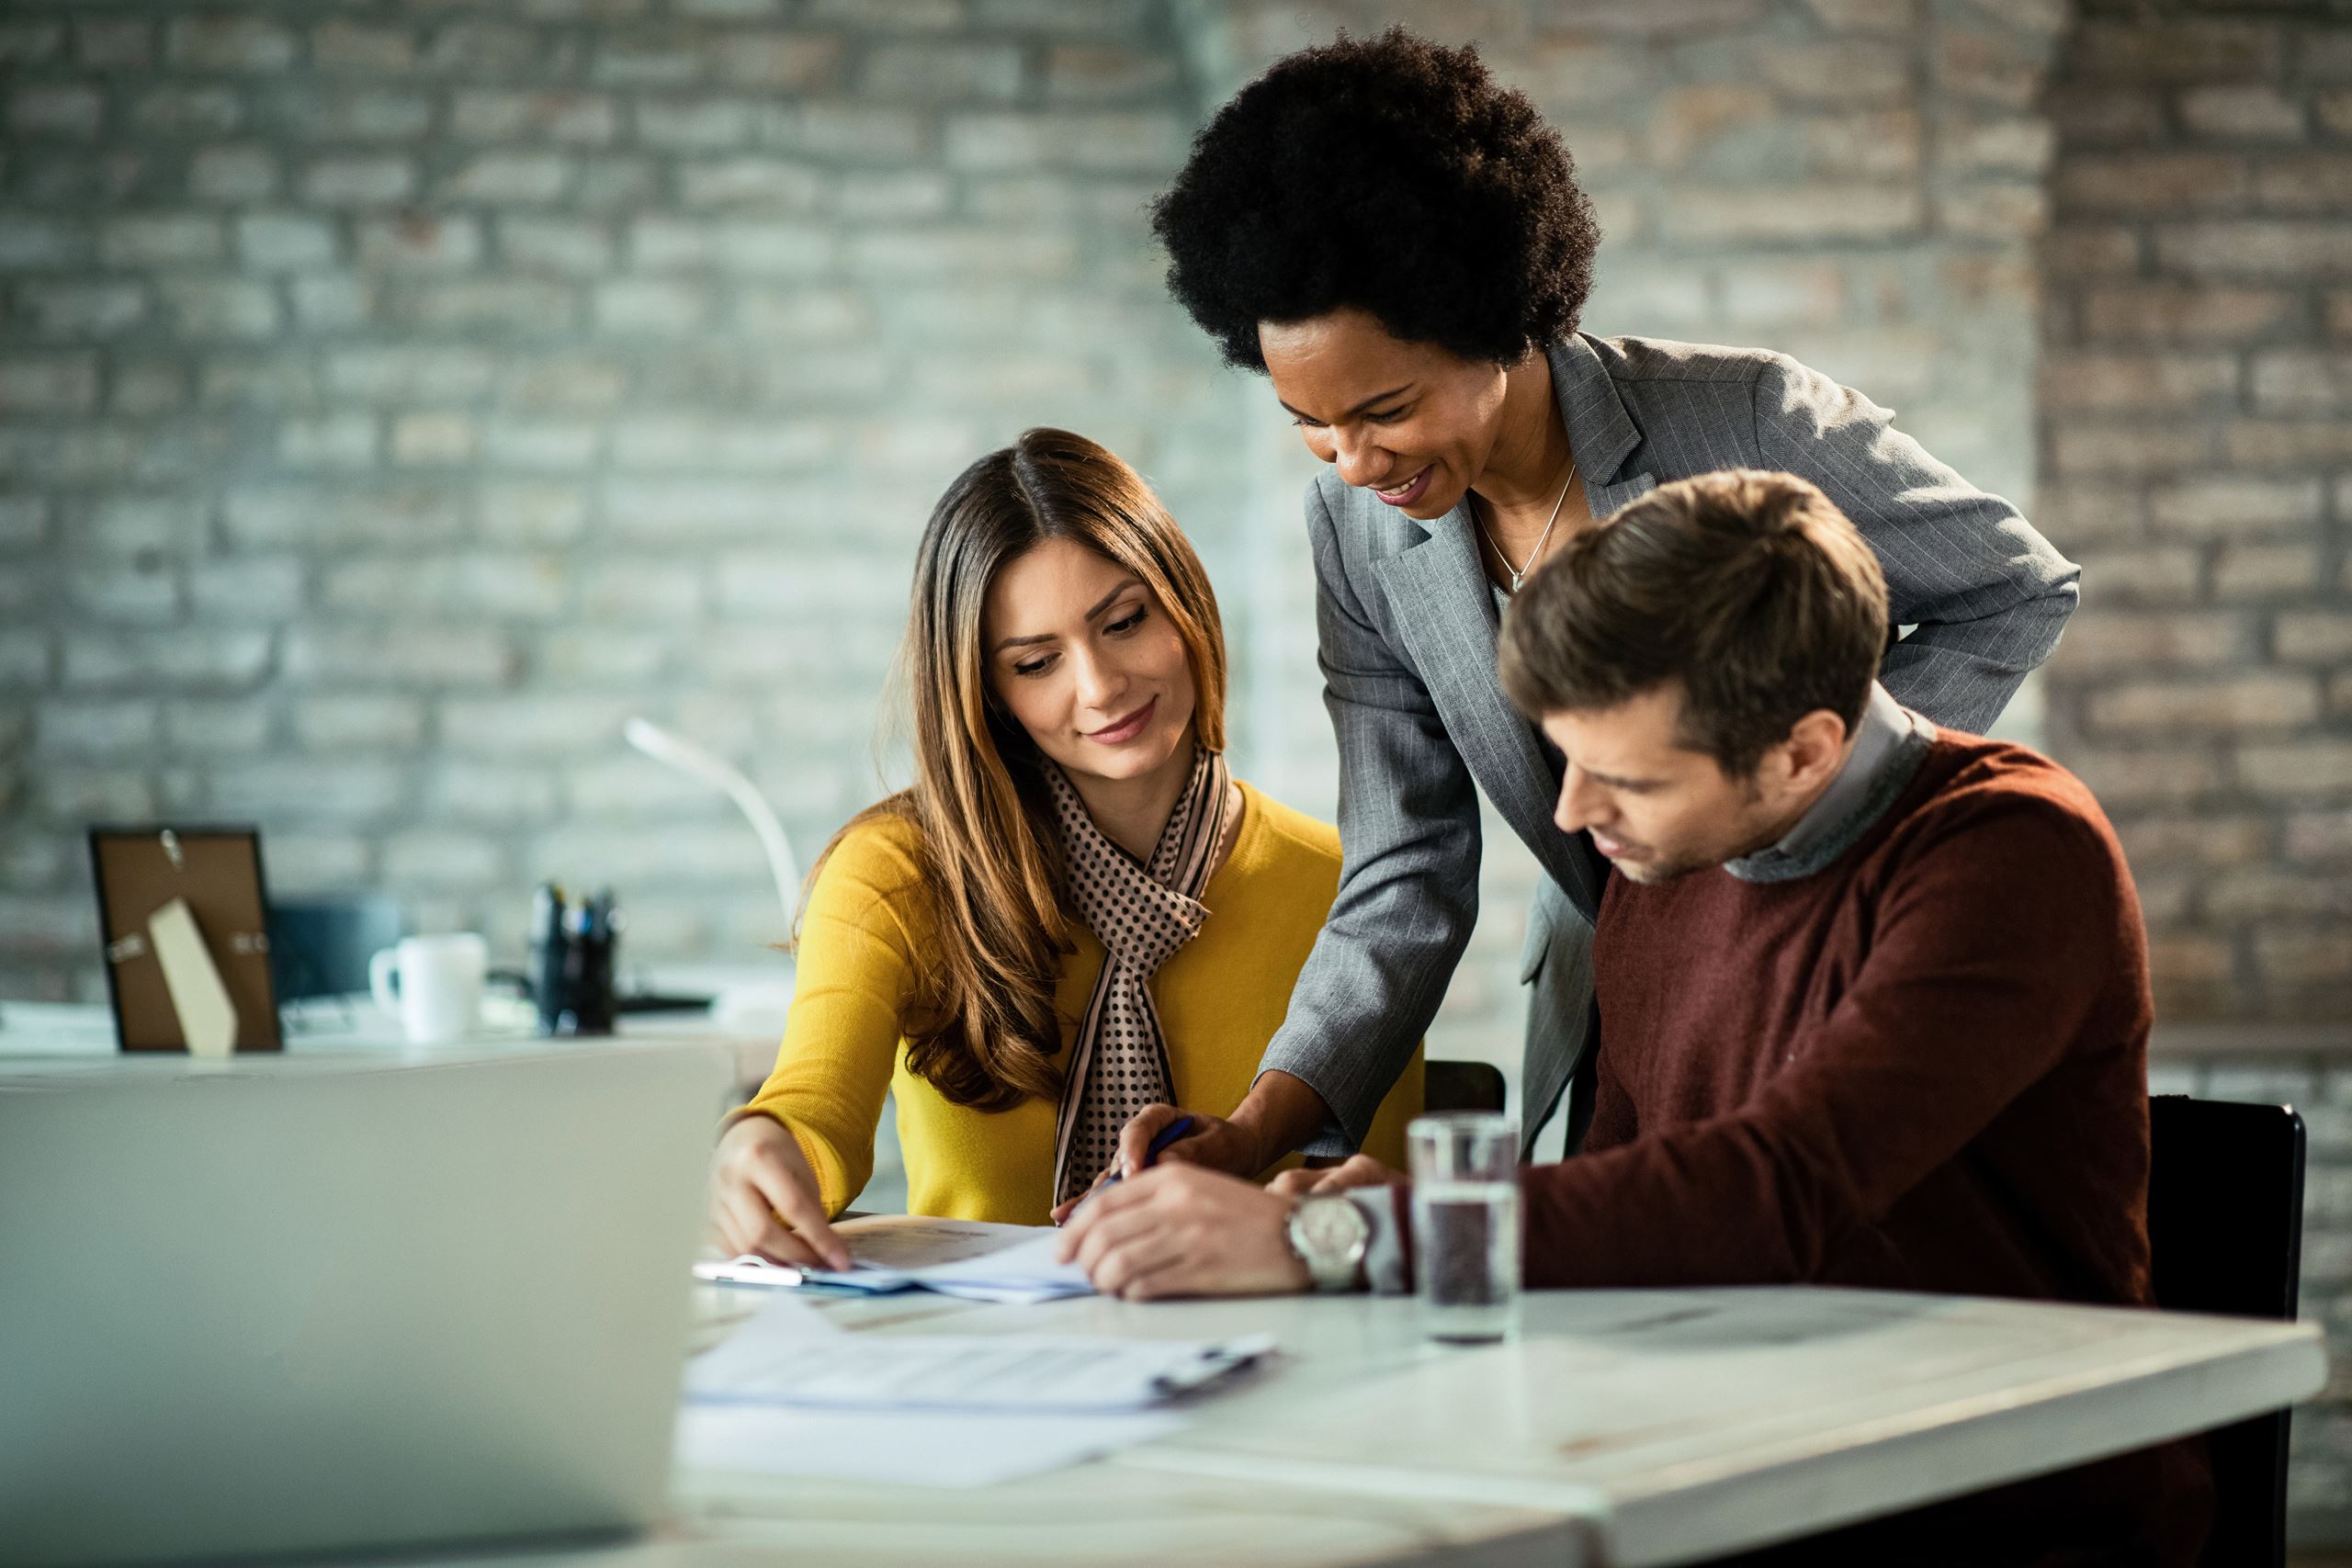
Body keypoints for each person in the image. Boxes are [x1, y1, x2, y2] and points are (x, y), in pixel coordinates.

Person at [1057, 468, 2206, 1564]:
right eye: (1567, 760)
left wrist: (1344, 1241)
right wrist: (1395, 1211)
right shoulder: (1664, 859)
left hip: (1988, 1508)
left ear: (1804, 749)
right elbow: (1628, 1208)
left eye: (1632, 780)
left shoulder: (2011, 853)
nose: (1570, 811)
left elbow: (1775, 1190)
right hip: (1721, 1468)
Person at [1104, 28, 2081, 1188]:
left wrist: (1778, 793)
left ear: (1495, 319)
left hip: (1819, 964)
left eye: (1385, 408)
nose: (1352, 461)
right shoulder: (1356, 536)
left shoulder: (1750, 422)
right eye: (1307, 422)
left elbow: (2011, 587)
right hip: (1623, 1013)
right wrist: (1260, 1127)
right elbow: (1403, 869)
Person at [707, 428, 1421, 1267]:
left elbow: (1379, 1214)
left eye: (1124, 620)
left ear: (1184, 603)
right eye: (1038, 661)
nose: (1099, 685)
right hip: (989, 1376)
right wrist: (757, 1149)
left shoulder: (1350, 889)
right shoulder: (897, 874)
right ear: (989, 694)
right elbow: (813, 1112)